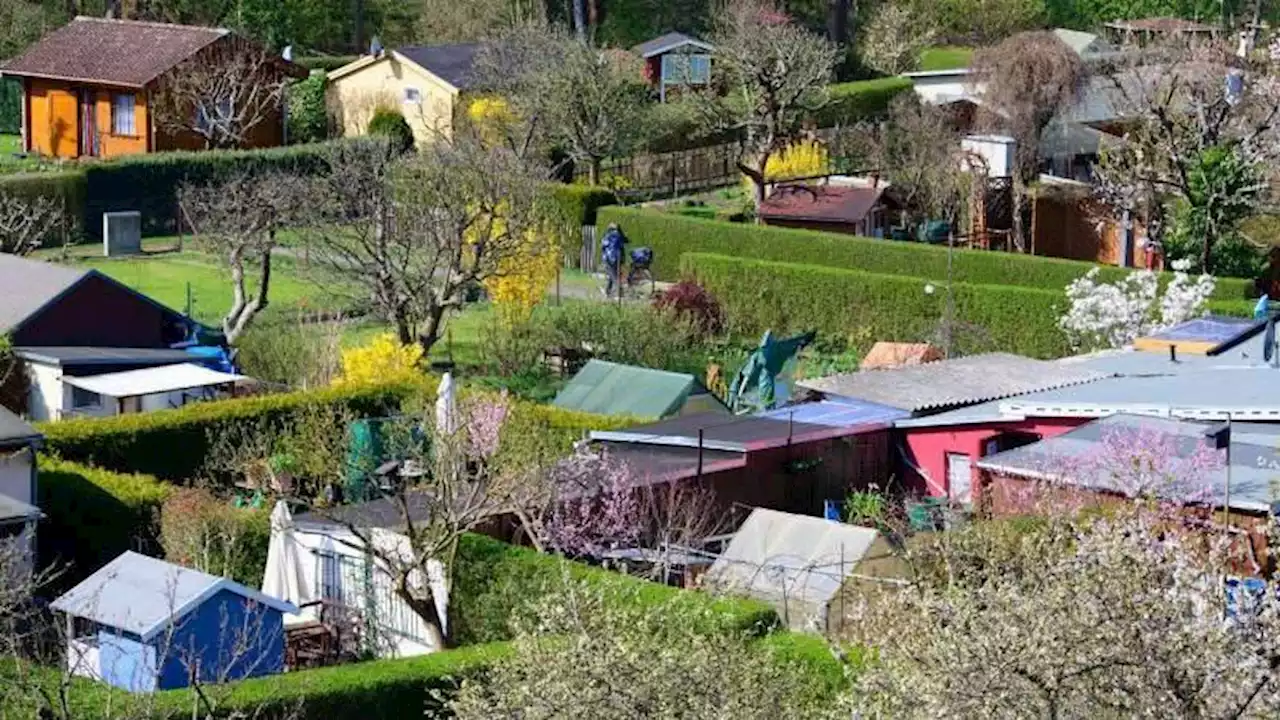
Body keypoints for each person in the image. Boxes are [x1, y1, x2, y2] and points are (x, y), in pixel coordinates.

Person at [600, 223, 628, 297]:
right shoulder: (619, 236)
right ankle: (607, 291)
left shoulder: (608, 235)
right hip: (619, 258)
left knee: (613, 276)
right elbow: (626, 240)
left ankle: (619, 294)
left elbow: (603, 245)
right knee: (612, 275)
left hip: (609, 258)